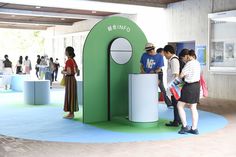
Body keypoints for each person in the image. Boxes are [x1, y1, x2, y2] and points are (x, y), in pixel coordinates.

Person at [176, 49, 201, 135]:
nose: (183, 60)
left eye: (183, 58)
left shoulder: (189, 64)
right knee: (193, 108)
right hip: (196, 86)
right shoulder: (197, 63)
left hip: (189, 86)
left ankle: (185, 126)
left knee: (179, 105)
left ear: (186, 56)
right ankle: (194, 128)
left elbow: (181, 75)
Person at [163, 45, 181, 127]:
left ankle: (176, 121)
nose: (164, 55)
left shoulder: (174, 60)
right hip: (173, 86)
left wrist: (172, 87)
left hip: (174, 86)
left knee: (176, 104)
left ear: (168, 52)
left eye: (165, 53)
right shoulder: (171, 60)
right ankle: (178, 120)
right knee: (176, 104)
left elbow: (176, 75)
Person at [61, 46, 79, 119]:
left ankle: (71, 114)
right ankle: (71, 113)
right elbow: (77, 71)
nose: (65, 52)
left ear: (68, 52)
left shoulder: (68, 61)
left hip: (69, 80)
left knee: (69, 95)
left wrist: (63, 71)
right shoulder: (73, 60)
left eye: (65, 51)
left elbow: (69, 72)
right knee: (72, 95)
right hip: (73, 79)